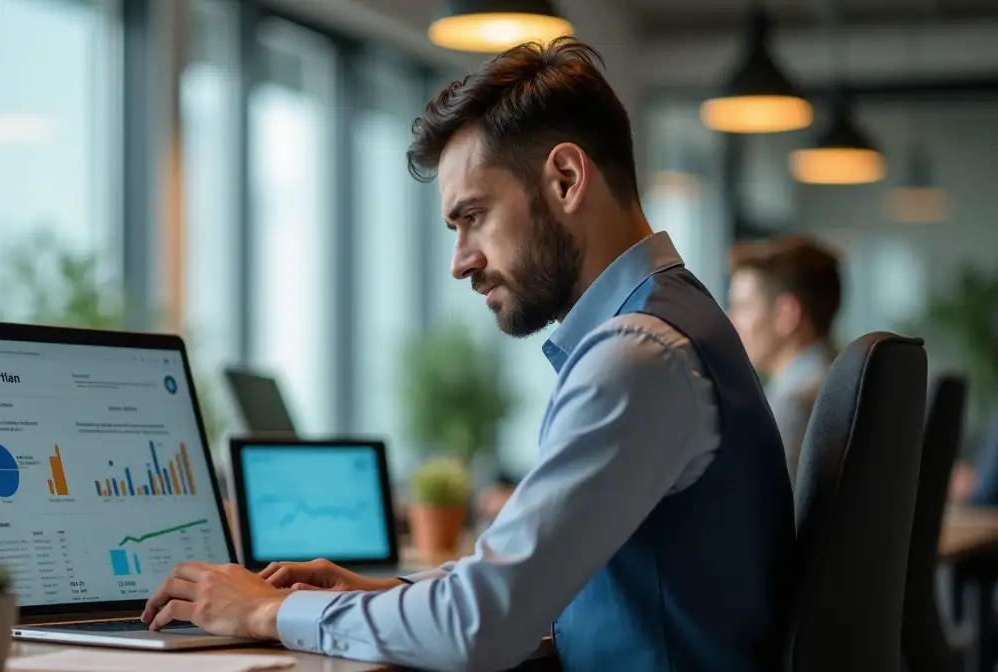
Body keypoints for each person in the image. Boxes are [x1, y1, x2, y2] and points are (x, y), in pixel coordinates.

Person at [141, 37, 796, 672]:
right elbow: (530, 591)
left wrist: (265, 611)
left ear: (566, 180)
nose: (460, 263)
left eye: (473, 216)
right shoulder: (673, 323)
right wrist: (382, 595)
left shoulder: (639, 355)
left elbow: (480, 627)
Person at [726, 236, 842, 485]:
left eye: (743, 307)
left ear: (786, 314)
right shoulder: (841, 382)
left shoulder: (791, 404)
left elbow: (766, 507)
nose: (731, 322)